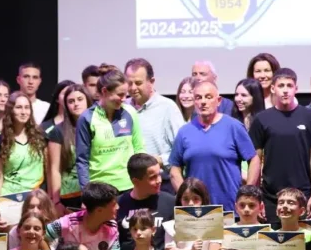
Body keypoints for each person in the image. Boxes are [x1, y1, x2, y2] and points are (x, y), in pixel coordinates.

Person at [170, 79, 259, 211]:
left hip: (229, 208)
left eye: (208, 97)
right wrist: (185, 197)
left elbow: (254, 159)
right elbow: (174, 169)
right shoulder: (184, 131)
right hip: (196, 211)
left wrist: (247, 194)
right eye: (198, 97)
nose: (203, 102)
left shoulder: (233, 127)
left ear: (218, 101)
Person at [249, 69, 311, 222]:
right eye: (281, 85)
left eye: (289, 85)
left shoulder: (310, 117)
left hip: (303, 195)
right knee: (273, 237)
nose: (285, 90)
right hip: (271, 197)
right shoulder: (262, 119)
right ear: (273, 88)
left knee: (303, 236)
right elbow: (256, 159)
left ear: (296, 88)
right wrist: (254, 196)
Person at [76, 69, 144, 192]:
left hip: (129, 186)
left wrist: (141, 184)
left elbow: (139, 150)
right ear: (104, 91)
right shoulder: (86, 118)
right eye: (120, 95)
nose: (124, 99)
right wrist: (86, 193)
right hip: (99, 189)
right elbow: (82, 160)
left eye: (126, 94)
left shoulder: (130, 112)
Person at [125, 58, 185, 194]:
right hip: (129, 186)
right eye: (129, 83)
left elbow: (181, 149)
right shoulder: (123, 108)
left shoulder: (167, 107)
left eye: (138, 83)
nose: (133, 88)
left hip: (161, 185)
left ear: (151, 81)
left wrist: (160, 160)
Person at [0, 92, 47, 217]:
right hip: (9, 200)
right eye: (19, 107)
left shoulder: (41, 138)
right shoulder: (0, 141)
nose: (23, 112)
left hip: (35, 198)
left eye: (27, 107)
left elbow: (49, 170)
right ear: (10, 110)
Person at [116, 153, 175, 250]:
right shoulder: (118, 205)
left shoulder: (170, 202)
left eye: (159, 174)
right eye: (152, 177)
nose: (159, 180)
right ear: (136, 181)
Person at [46, 83, 92, 212]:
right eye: (71, 101)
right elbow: (54, 169)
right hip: (69, 196)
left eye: (80, 99)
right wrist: (56, 202)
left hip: (94, 192)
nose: (76, 104)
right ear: (66, 106)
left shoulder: (98, 126)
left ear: (88, 101)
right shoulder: (58, 131)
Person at [47, 181, 119, 250]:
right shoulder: (66, 223)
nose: (118, 207)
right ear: (99, 210)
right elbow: (43, 237)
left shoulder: (112, 227)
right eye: (114, 205)